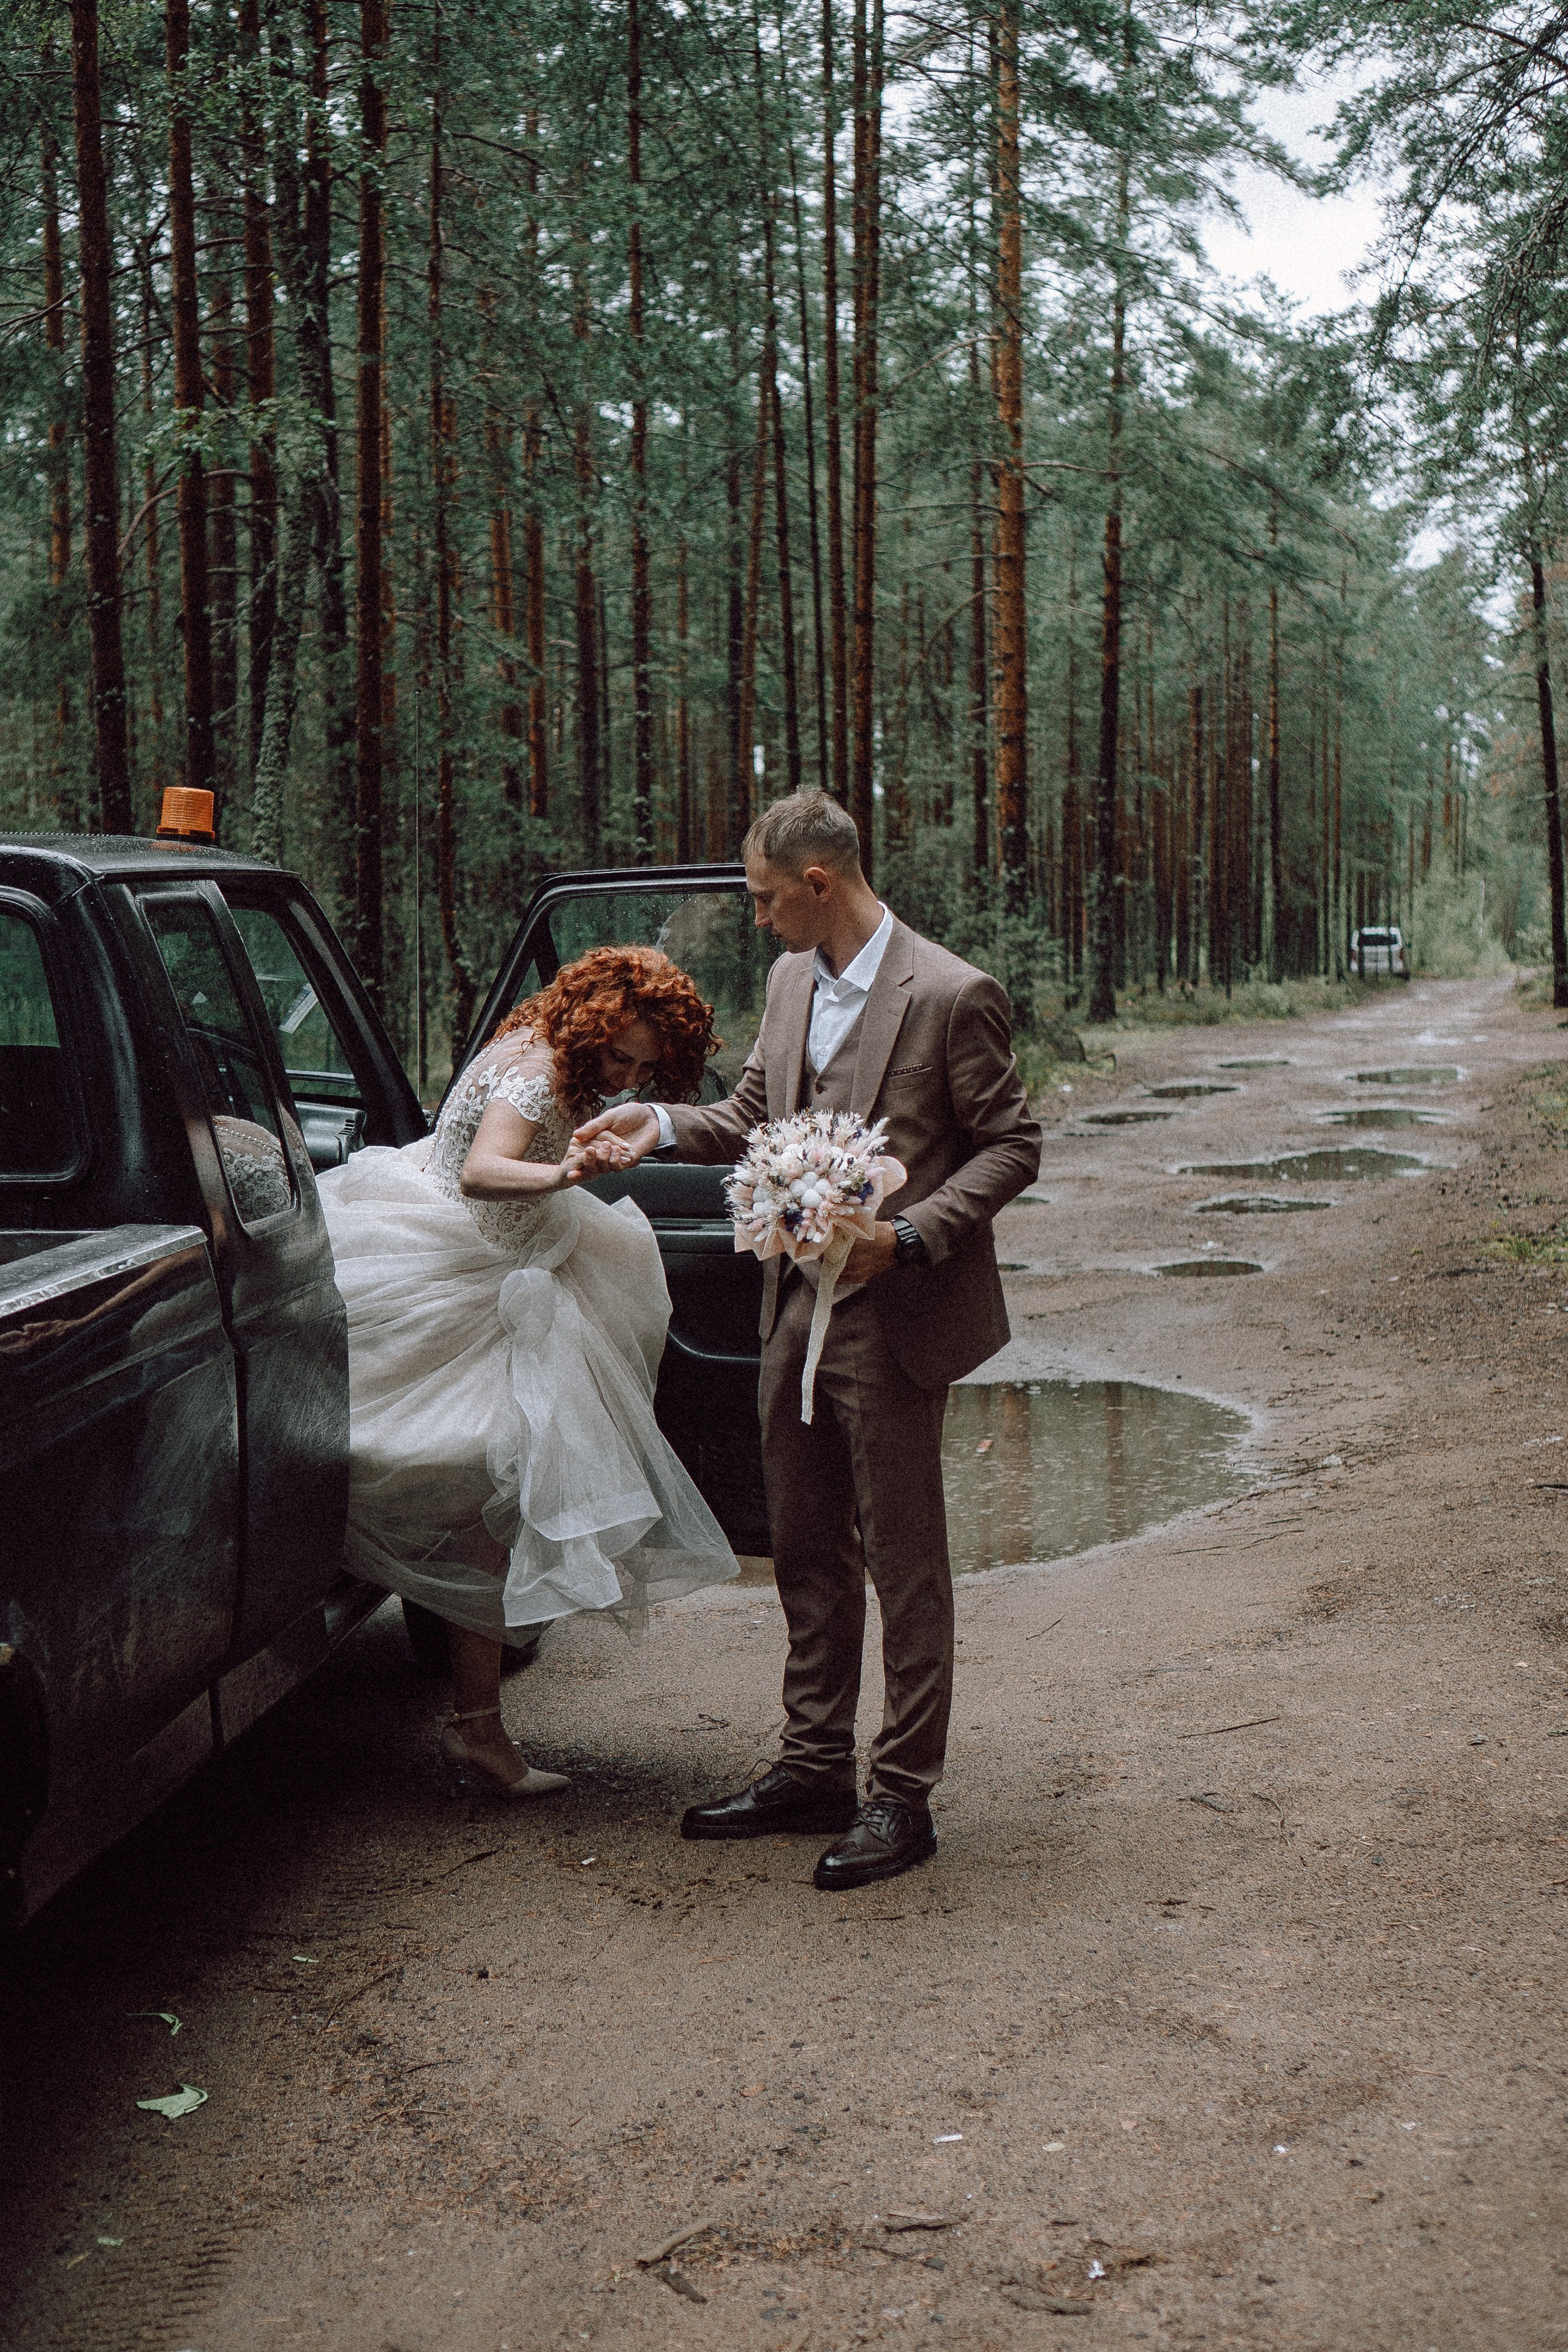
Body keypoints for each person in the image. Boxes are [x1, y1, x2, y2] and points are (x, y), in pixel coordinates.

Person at [575, 791, 1041, 1888]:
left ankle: (902, 1798)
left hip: (895, 1316)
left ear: (820, 884)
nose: (758, 917)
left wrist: (912, 1235)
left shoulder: (951, 992)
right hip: (791, 1309)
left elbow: (1013, 1144)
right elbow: (747, 1117)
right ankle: (813, 1766)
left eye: (767, 896)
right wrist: (653, 1126)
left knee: (904, 1560)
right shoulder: (791, 982)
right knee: (804, 1543)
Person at [318, 946, 739, 1800]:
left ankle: (477, 1723)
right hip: (464, 1279)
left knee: (489, 1502)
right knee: (488, 1498)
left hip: (496, 1258)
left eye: (645, 1068)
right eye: (619, 1053)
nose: (624, 1075)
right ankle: (477, 1729)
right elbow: (482, 1170)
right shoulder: (544, 1069)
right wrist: (563, 1172)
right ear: (593, 1018)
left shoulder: (535, 1033)